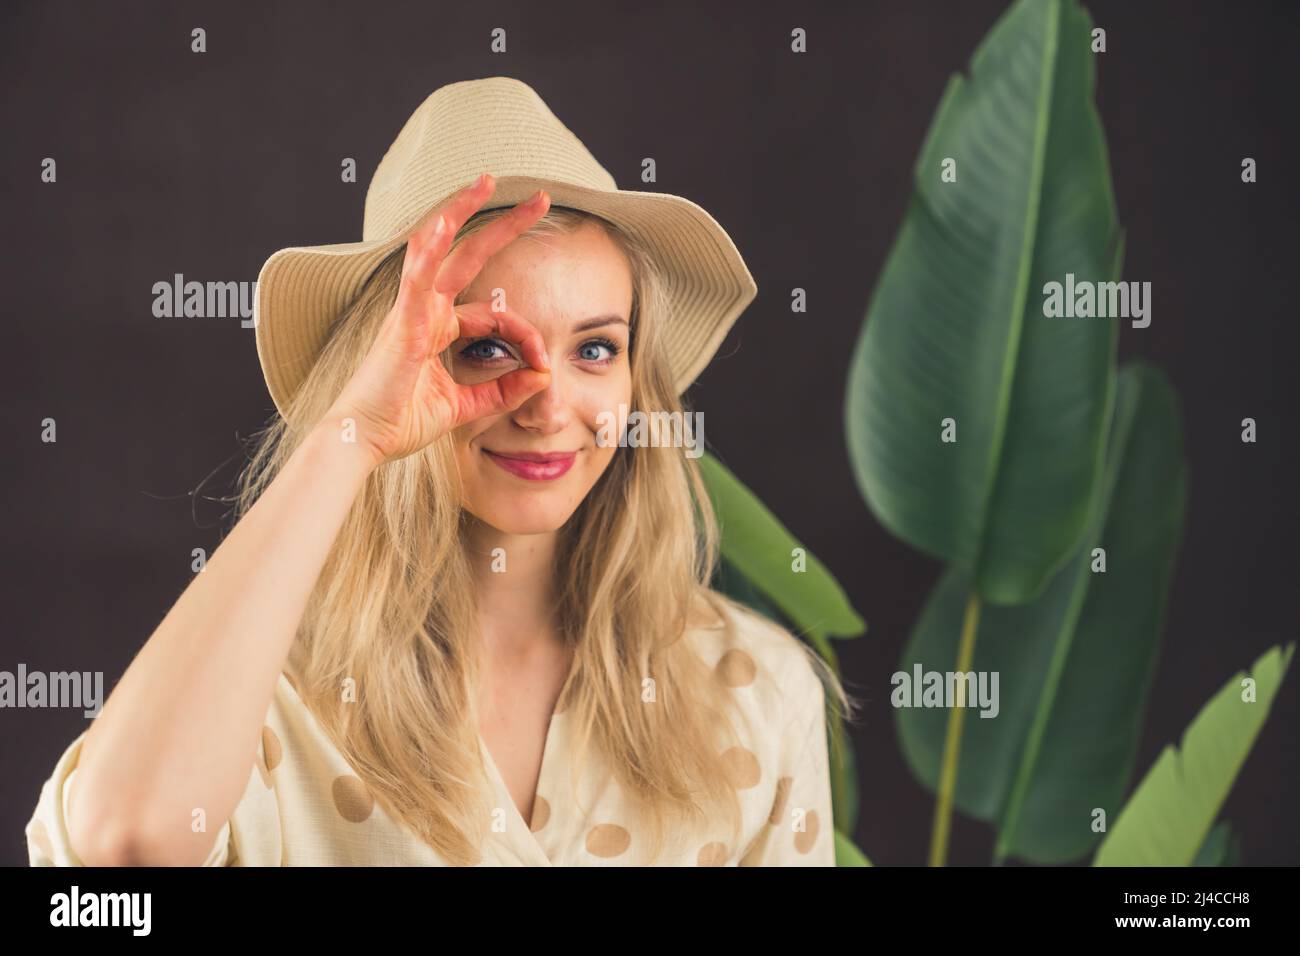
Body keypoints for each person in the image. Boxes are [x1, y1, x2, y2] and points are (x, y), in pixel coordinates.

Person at [26, 77, 854, 866]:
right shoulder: (264, 692)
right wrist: (351, 433)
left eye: (595, 348)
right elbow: (120, 852)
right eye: (485, 347)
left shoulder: (755, 688)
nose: (545, 405)